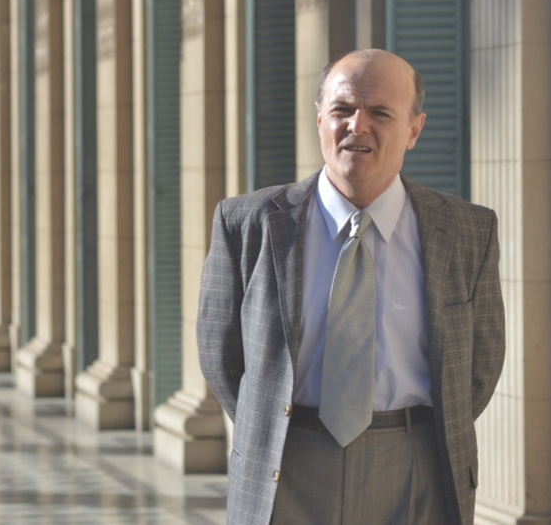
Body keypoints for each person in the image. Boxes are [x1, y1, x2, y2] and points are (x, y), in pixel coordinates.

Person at [197, 49, 505, 525]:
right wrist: (272, 429)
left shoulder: (467, 231)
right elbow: (221, 354)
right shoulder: (247, 223)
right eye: (342, 109)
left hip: (416, 468)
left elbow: (480, 364)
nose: (357, 125)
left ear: (414, 130)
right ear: (320, 118)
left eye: (380, 113)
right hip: (287, 469)